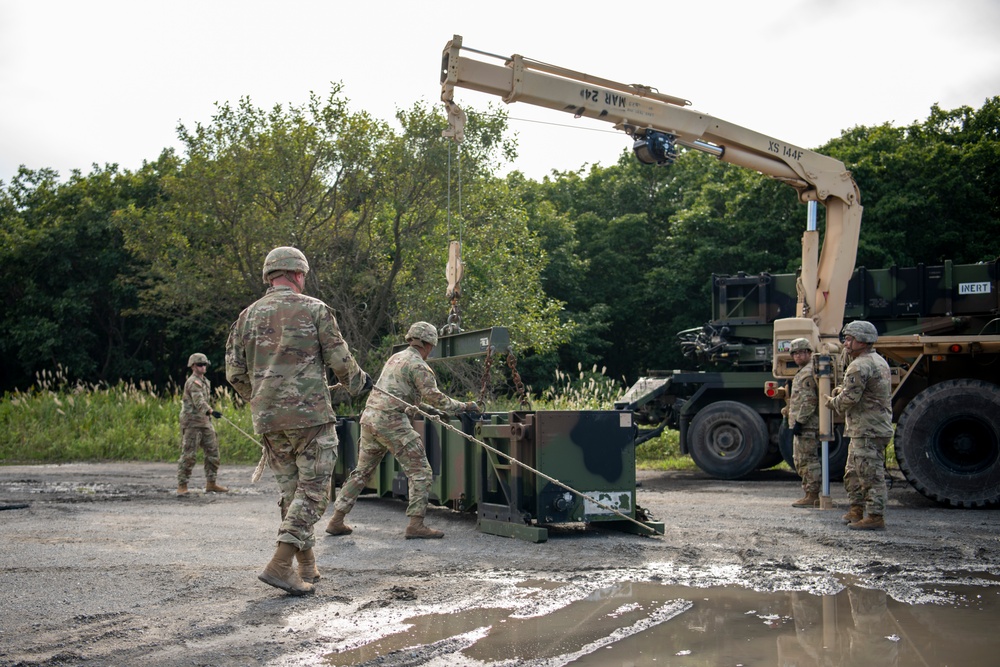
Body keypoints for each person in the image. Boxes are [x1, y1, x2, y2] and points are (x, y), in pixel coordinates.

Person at [226, 246, 371, 596]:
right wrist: (358, 384)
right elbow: (340, 359)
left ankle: (306, 565)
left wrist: (263, 398)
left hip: (269, 420)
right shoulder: (314, 309)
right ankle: (280, 564)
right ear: (296, 274)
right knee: (314, 493)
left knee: (293, 494)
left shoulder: (246, 317)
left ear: (269, 275)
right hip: (310, 417)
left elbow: (234, 373)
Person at [325, 321, 479, 540]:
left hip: (370, 419)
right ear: (429, 344)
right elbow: (434, 395)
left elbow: (401, 393)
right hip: (392, 422)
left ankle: (336, 520)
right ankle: (416, 524)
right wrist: (464, 407)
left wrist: (430, 410)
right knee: (421, 471)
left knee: (362, 472)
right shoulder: (418, 365)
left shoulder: (395, 358)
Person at [824, 320, 893, 530]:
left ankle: (874, 516)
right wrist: (842, 391)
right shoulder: (877, 360)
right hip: (868, 428)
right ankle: (856, 510)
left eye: (850, 339)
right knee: (854, 472)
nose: (845, 343)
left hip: (867, 429)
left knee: (869, 473)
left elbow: (849, 400)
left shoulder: (859, 365)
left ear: (862, 341)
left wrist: (831, 402)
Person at [177, 353, 228, 495]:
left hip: (205, 422)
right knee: (189, 455)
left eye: (205, 364)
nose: (203, 367)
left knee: (213, 453)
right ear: (193, 366)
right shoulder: (193, 382)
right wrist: (211, 411)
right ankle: (182, 485)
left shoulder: (205, 381)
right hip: (192, 423)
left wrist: (209, 414)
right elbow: (198, 401)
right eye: (200, 364)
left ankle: (211, 483)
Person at [787, 338, 821, 508]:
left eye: (801, 352)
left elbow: (809, 401)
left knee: (808, 460)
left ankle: (813, 494)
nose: (798, 356)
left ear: (809, 352)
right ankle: (809, 493)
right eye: (795, 353)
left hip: (808, 424)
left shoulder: (807, 373)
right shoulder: (802, 372)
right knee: (801, 459)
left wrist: (800, 421)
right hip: (803, 423)